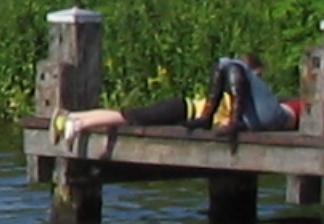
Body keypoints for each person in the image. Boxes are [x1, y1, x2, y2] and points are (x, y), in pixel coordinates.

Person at [57, 54, 301, 140]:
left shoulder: (269, 105)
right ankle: (74, 118)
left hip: (185, 109)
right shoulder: (260, 104)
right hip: (194, 111)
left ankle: (78, 121)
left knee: (130, 116)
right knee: (129, 115)